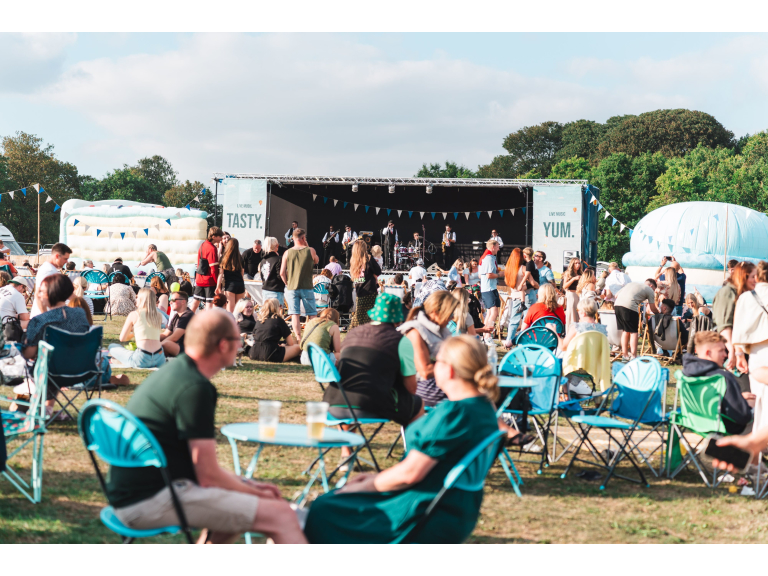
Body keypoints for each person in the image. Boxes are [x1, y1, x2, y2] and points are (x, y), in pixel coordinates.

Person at [105, 309, 306, 544]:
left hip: (132, 494)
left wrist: (246, 485)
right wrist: (257, 492)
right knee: (281, 514)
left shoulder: (174, 371)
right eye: (238, 339)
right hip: (150, 500)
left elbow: (202, 471)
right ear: (223, 345)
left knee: (233, 517)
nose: (241, 343)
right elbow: (208, 474)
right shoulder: (194, 388)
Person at [305, 335, 500, 544]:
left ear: (449, 369)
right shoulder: (485, 409)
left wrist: (365, 485)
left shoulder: (454, 414)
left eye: (437, 361)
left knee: (323, 508)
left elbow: (410, 474)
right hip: (457, 510)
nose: (433, 366)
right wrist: (373, 479)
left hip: (422, 511)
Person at [323, 293, 424, 461]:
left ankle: (346, 454)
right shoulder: (401, 341)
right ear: (397, 319)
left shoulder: (353, 333)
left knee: (353, 395)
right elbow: (411, 388)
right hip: (370, 404)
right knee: (417, 404)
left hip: (333, 402)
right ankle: (414, 457)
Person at [23, 275, 92, 418]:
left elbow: (29, 353)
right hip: (81, 370)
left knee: (33, 363)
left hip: (51, 372)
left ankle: (37, 407)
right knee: (51, 361)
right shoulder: (80, 314)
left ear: (49, 294)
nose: (38, 294)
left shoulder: (40, 320)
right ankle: (47, 408)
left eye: (40, 291)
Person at [682, 331, 754, 435]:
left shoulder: (686, 374)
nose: (725, 354)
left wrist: (739, 397)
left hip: (694, 422)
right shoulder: (722, 378)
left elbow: (707, 400)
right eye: (721, 351)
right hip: (724, 427)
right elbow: (742, 416)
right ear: (708, 353)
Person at [399, 291, 458, 407]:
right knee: (476, 396)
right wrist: (460, 365)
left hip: (441, 382)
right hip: (423, 387)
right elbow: (425, 371)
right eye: (450, 314)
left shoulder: (442, 330)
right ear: (435, 312)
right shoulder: (415, 331)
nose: (452, 318)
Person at [732, 260, 768, 434]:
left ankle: (759, 444)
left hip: (755, 351)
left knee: (759, 398)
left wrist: (739, 354)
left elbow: (738, 327)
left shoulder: (746, 297)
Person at [109, 288, 167, 369]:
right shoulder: (159, 316)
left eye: (137, 297)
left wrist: (133, 333)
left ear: (141, 299)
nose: (135, 299)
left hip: (142, 357)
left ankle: (121, 360)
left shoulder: (134, 314)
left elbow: (122, 338)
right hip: (160, 357)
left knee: (112, 346)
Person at [280, 228, 319, 340]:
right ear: (303, 238)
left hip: (292, 287)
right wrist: (307, 245)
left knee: (294, 314)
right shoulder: (310, 250)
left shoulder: (287, 252)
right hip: (307, 286)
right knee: (312, 314)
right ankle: (313, 336)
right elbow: (316, 260)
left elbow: (282, 272)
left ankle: (298, 338)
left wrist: (287, 283)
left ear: (292, 238)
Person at [714, 261, 753, 370]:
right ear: (743, 277)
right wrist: (733, 351)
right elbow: (724, 325)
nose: (756, 280)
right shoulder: (728, 292)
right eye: (753, 277)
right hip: (729, 350)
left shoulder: (745, 294)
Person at [614, 279, 660, 360]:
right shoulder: (649, 290)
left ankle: (625, 356)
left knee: (625, 331)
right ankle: (634, 356)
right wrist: (659, 313)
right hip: (630, 307)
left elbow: (616, 295)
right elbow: (653, 308)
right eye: (654, 289)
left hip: (617, 305)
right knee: (634, 332)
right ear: (651, 286)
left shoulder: (632, 284)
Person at [249, 298, 300, 362]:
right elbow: (290, 343)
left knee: (290, 343)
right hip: (270, 353)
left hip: (254, 352)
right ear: (277, 307)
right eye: (280, 306)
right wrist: (284, 346)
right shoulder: (278, 320)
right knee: (299, 347)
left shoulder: (259, 320)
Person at [30, 242, 72, 317]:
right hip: (43, 316)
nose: (67, 262)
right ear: (57, 256)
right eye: (65, 259)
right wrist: (45, 316)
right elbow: (39, 294)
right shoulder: (48, 270)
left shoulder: (50, 269)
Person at [349, 240, 381, 328]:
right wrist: (374, 275)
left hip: (359, 292)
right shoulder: (368, 258)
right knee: (371, 316)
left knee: (359, 316)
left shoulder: (353, 261)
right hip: (370, 291)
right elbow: (378, 270)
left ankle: (354, 333)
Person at [191, 226, 223, 312]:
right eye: (219, 236)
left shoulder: (202, 245)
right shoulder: (212, 248)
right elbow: (213, 269)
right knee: (210, 305)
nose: (221, 238)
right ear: (214, 237)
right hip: (209, 280)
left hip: (200, 278)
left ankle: (186, 320)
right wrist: (217, 283)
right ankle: (208, 324)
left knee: (195, 303)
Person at [478, 239, 500, 344]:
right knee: (494, 312)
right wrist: (501, 275)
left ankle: (485, 336)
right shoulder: (489, 258)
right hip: (489, 289)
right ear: (492, 247)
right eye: (497, 246)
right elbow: (489, 275)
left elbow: (480, 275)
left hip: (488, 288)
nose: (499, 248)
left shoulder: (485, 257)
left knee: (490, 313)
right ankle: (487, 336)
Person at [503, 247, 526, 347]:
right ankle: (522, 341)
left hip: (514, 295)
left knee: (513, 321)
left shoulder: (508, 269)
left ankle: (508, 340)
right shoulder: (523, 268)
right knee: (526, 321)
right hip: (524, 296)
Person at [216, 237, 245, 313]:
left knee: (230, 310)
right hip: (240, 284)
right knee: (240, 310)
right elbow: (242, 273)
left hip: (230, 285)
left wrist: (218, 286)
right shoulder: (240, 258)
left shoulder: (224, 258)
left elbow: (220, 273)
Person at [161, 291, 194, 357]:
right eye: (170, 300)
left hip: (188, 350)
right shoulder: (176, 316)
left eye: (173, 300)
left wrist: (157, 345)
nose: (170, 302)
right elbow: (165, 334)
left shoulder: (187, 315)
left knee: (166, 344)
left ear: (183, 302)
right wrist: (151, 339)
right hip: (178, 346)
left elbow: (174, 338)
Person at [259, 237, 285, 306]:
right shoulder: (279, 259)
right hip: (276, 290)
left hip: (265, 289)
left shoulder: (263, 260)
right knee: (276, 314)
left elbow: (262, 275)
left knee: (266, 313)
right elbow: (280, 275)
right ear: (276, 246)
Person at [561, 258, 582, 330]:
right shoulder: (568, 273)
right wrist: (573, 279)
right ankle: (570, 331)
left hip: (579, 295)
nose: (578, 265)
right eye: (576, 263)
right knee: (571, 314)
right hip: (571, 294)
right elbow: (564, 286)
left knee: (578, 314)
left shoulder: (580, 273)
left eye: (579, 263)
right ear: (572, 264)